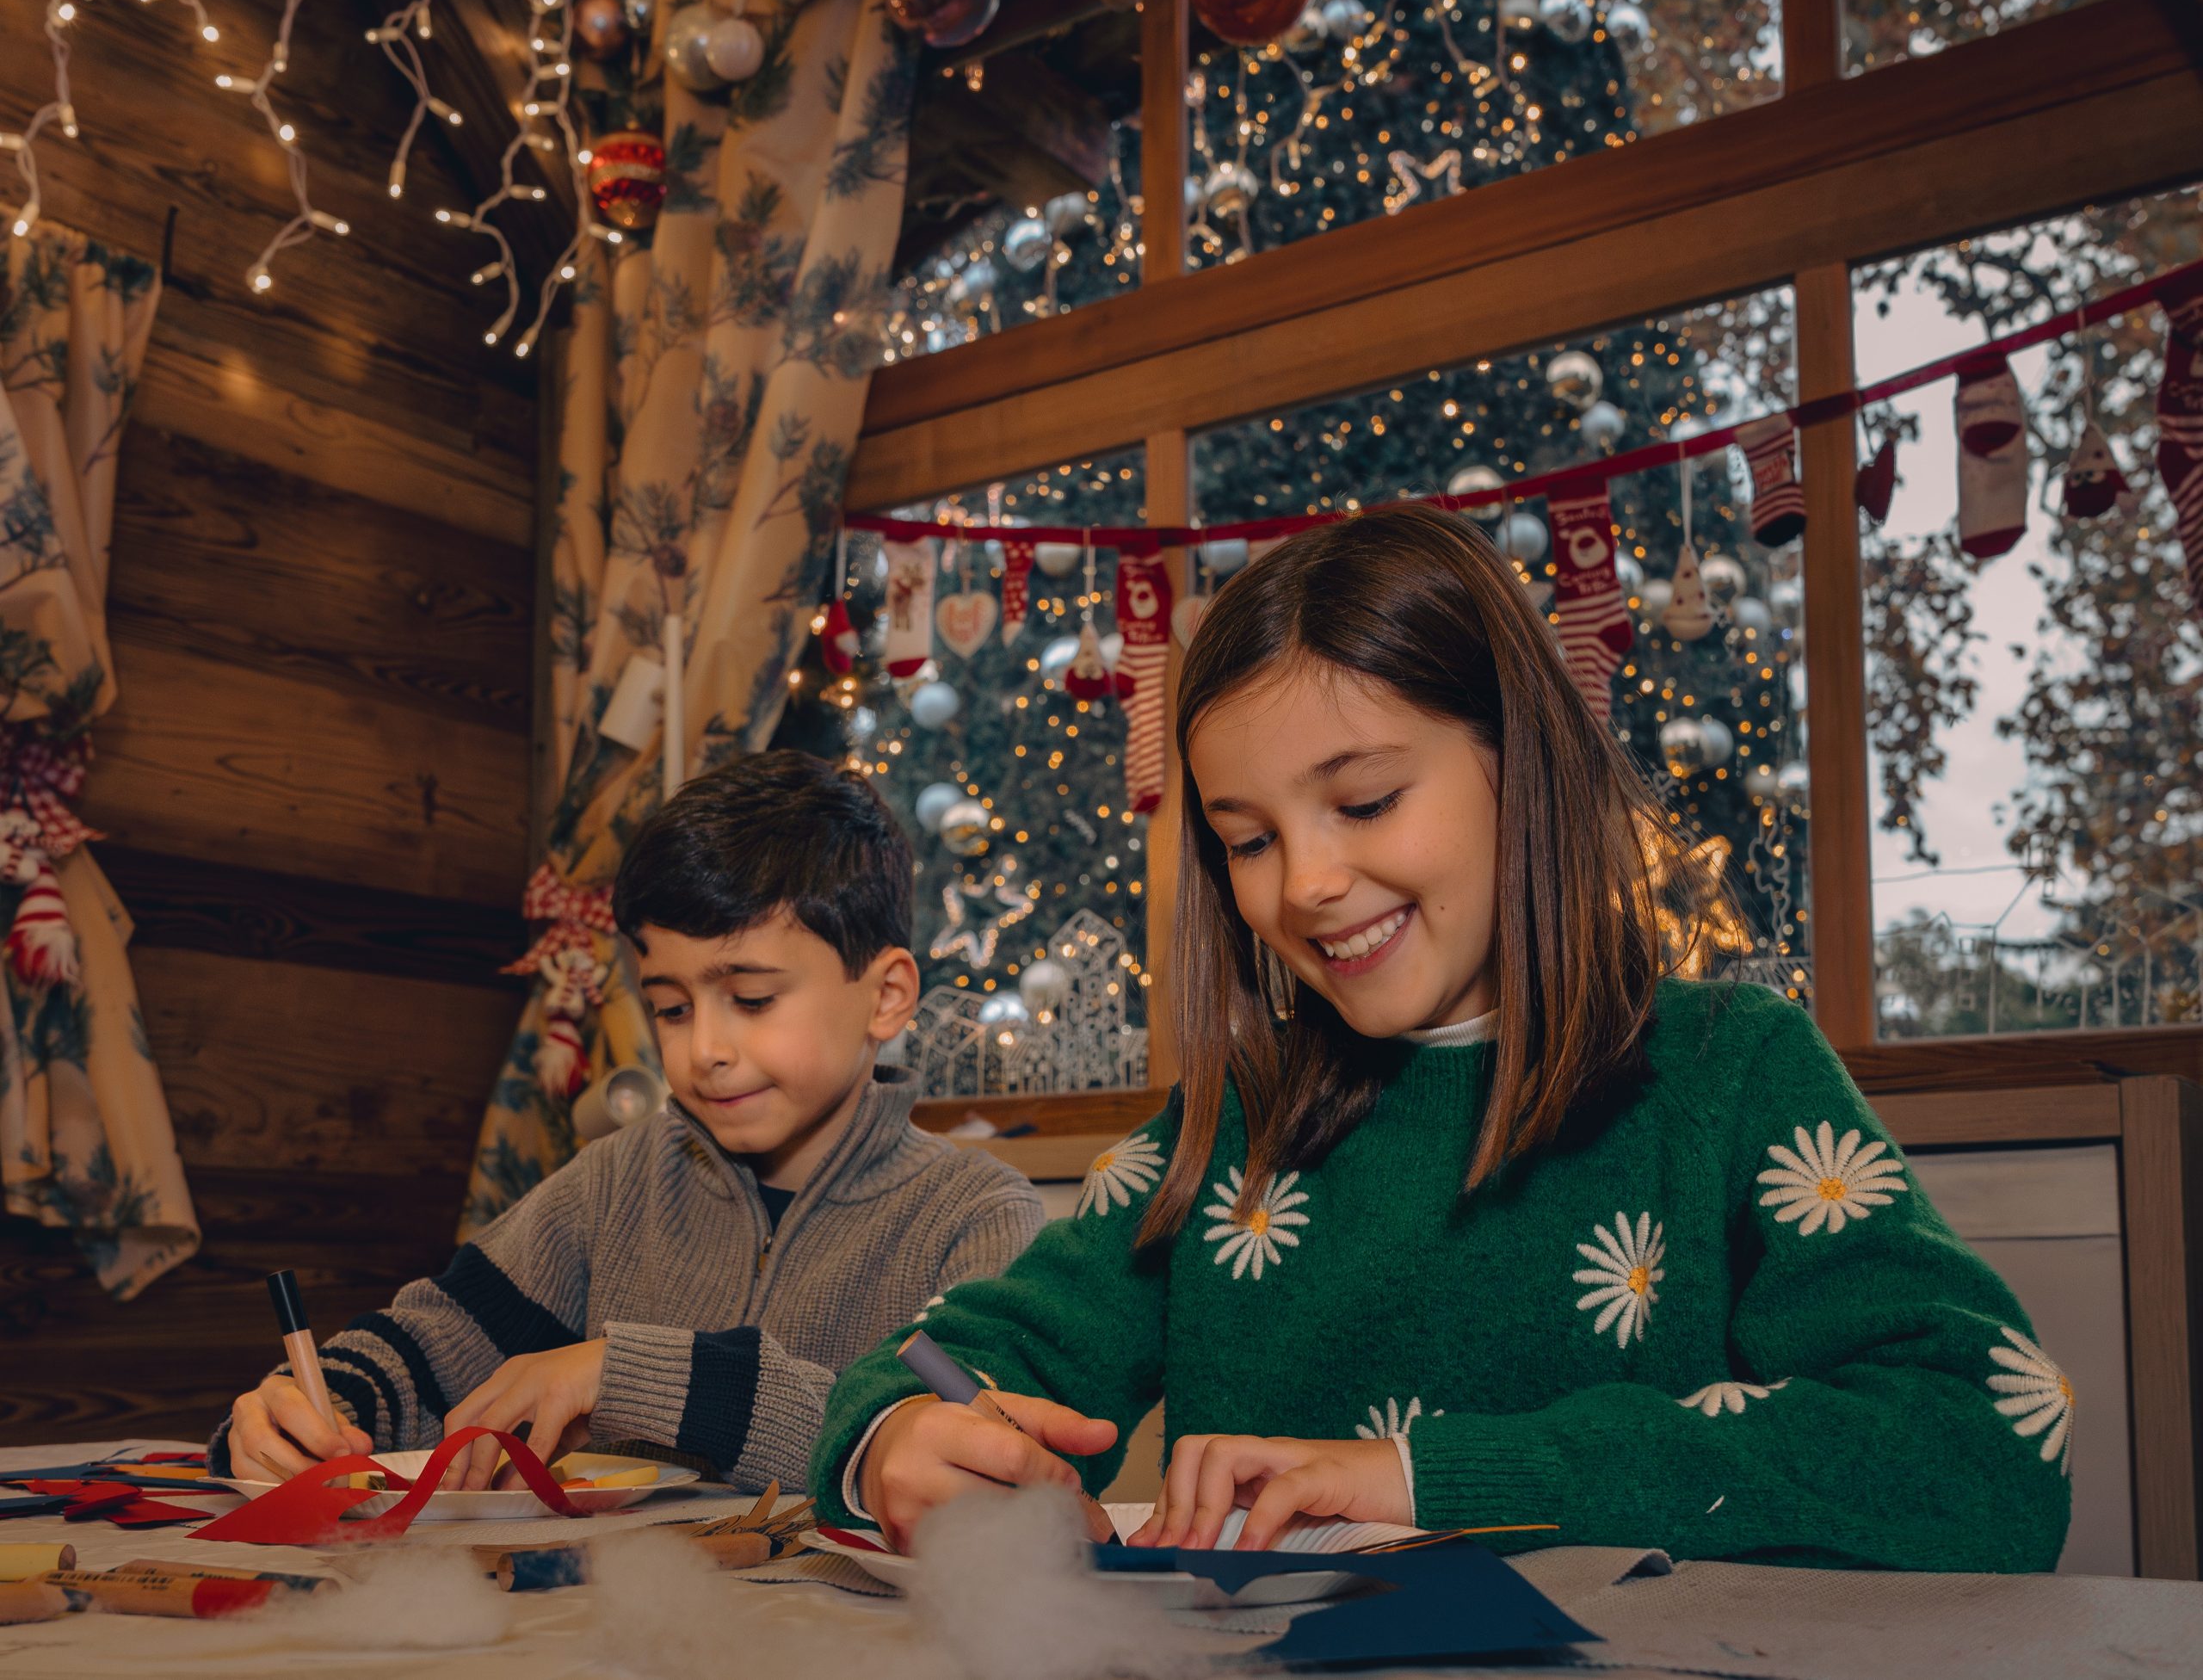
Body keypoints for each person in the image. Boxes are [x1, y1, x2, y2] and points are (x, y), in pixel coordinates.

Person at [810, 503, 2071, 1572]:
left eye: (1364, 800)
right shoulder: (1235, 1125)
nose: (1303, 880)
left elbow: (1986, 1442)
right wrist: (894, 1442)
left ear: (1520, 762)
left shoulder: (1734, 1074)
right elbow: (942, 1357)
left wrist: (1440, 1476)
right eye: (1248, 838)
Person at [215, 750, 1045, 1492]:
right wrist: (301, 1412)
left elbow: (974, 1455)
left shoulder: (976, 1215)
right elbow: (430, 1348)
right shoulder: (616, 1182)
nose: (705, 1049)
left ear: (888, 995)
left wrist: (637, 1373)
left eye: (751, 999)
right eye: (671, 1007)